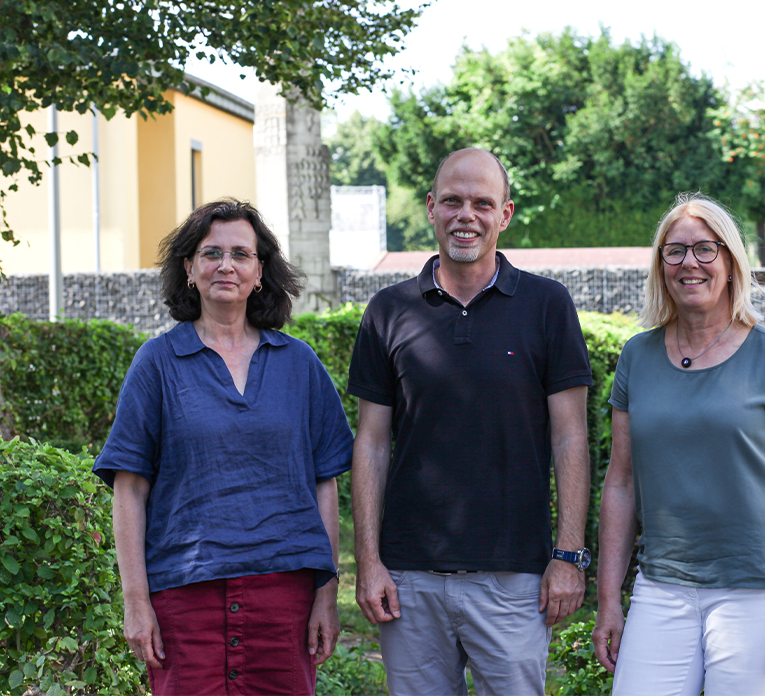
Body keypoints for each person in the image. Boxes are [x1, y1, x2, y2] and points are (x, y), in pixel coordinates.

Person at [348, 148, 593, 696]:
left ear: (504, 215)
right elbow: (371, 444)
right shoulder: (388, 311)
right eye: (453, 201)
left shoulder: (548, 305)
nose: (467, 215)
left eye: (482, 203)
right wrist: (367, 562)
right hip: (408, 579)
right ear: (432, 208)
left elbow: (571, 436)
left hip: (515, 579)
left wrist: (569, 555)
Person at [93, 200, 353, 695]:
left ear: (260, 272)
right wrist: (135, 601)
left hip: (286, 598)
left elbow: (326, 484)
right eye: (211, 253)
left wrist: (326, 594)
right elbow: (128, 490)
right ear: (189, 268)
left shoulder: (299, 364)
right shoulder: (157, 364)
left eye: (241, 254)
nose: (226, 265)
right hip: (184, 598)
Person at [591, 192, 765, 695]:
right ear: (661, 266)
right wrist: (609, 601)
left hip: (758, 594)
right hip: (662, 588)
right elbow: (622, 483)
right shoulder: (637, 356)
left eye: (705, 249)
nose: (689, 263)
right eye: (674, 251)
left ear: (730, 261)